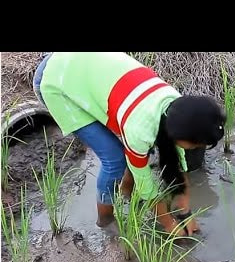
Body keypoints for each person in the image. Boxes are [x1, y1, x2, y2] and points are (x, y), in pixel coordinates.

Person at [33, 52, 225, 236]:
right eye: (197, 144)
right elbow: (147, 188)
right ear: (184, 135)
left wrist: (185, 215)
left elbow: (176, 168)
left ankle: (125, 191)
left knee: (137, 153)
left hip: (81, 64)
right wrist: (169, 224)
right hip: (55, 80)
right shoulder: (140, 130)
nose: (197, 148)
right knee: (114, 159)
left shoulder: (175, 107)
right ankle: (105, 219)